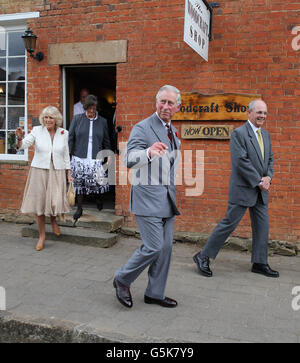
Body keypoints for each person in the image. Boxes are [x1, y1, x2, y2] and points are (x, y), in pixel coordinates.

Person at [193, 99, 279, 278]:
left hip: (261, 190)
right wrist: (259, 180)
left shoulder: (266, 135)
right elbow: (241, 161)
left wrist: (268, 177)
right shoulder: (239, 134)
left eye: (264, 113)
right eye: (259, 112)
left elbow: (270, 159)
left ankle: (260, 262)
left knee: (262, 227)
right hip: (244, 188)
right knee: (229, 224)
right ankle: (203, 256)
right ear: (249, 113)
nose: (262, 116)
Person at [113, 85, 181, 309]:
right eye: (162, 101)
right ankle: (123, 279)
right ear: (156, 102)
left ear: (177, 107)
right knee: (153, 247)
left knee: (166, 249)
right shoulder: (143, 127)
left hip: (167, 200)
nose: (166, 106)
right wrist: (148, 153)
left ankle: (155, 293)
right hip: (147, 198)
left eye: (171, 103)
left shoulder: (173, 132)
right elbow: (129, 159)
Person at [16, 106, 73, 251]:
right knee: (40, 204)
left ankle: (53, 221)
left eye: (51, 117)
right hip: (39, 171)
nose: (48, 120)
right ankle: (42, 236)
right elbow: (23, 145)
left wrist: (69, 171)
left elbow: (66, 153)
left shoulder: (63, 133)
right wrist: (19, 138)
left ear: (56, 120)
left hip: (57, 171)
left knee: (55, 200)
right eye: (46, 117)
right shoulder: (36, 130)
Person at [68, 94, 111, 224]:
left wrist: (108, 154)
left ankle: (98, 199)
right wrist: (67, 157)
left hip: (95, 156)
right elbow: (70, 139)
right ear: (85, 108)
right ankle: (79, 209)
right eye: (89, 108)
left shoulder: (102, 121)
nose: (92, 111)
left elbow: (106, 139)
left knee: (96, 183)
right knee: (80, 184)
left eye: (94, 108)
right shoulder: (77, 119)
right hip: (79, 157)